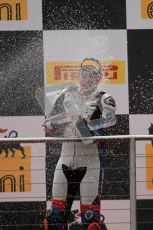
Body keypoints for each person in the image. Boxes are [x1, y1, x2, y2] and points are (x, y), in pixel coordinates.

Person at [43, 58, 116, 230]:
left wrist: (77, 118)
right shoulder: (70, 96)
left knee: (91, 222)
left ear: (98, 78)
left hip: (90, 165)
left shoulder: (105, 100)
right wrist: (53, 126)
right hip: (65, 160)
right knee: (53, 219)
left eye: (91, 75)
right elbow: (64, 123)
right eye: (83, 74)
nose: (86, 78)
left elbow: (95, 137)